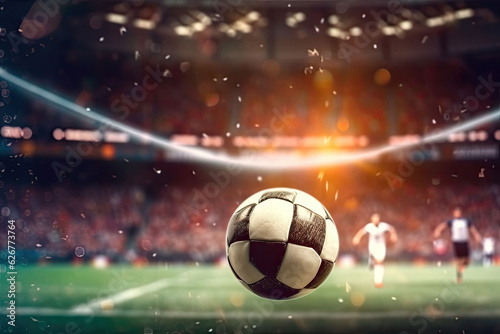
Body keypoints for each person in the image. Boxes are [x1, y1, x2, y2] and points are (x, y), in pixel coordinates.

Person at [433, 207, 482, 283]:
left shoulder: (466, 221)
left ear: (461, 213)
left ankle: (462, 268)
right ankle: (459, 275)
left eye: (458, 212)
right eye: (456, 212)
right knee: (459, 260)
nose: (457, 214)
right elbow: (443, 226)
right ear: (454, 213)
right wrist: (437, 231)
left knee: (467, 260)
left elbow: (472, 229)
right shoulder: (452, 221)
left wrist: (477, 235)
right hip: (456, 242)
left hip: (464, 241)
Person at [352, 213, 398, 288]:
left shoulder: (383, 225)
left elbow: (391, 228)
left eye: (377, 219)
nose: (376, 221)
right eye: (374, 219)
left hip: (381, 246)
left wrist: (393, 235)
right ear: (372, 220)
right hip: (373, 247)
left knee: (380, 263)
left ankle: (378, 278)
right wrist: (357, 238)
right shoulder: (369, 226)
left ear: (379, 220)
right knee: (378, 262)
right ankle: (378, 281)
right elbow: (361, 231)